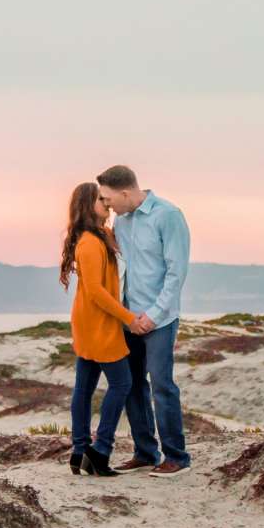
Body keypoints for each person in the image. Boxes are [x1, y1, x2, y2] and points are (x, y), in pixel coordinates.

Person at [95, 165, 190, 474]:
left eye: (108, 199)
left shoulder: (168, 215)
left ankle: (176, 457)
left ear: (125, 192)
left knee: (162, 385)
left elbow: (176, 273)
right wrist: (124, 315)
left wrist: (153, 315)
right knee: (132, 385)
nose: (107, 206)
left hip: (159, 319)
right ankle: (145, 452)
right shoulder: (121, 222)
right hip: (128, 320)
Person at [59, 180, 140, 476]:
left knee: (84, 388)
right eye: (101, 201)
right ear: (86, 205)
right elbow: (95, 290)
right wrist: (128, 317)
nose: (107, 204)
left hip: (88, 321)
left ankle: (80, 450)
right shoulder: (90, 243)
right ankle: (100, 450)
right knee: (122, 383)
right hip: (98, 323)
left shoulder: (100, 235)